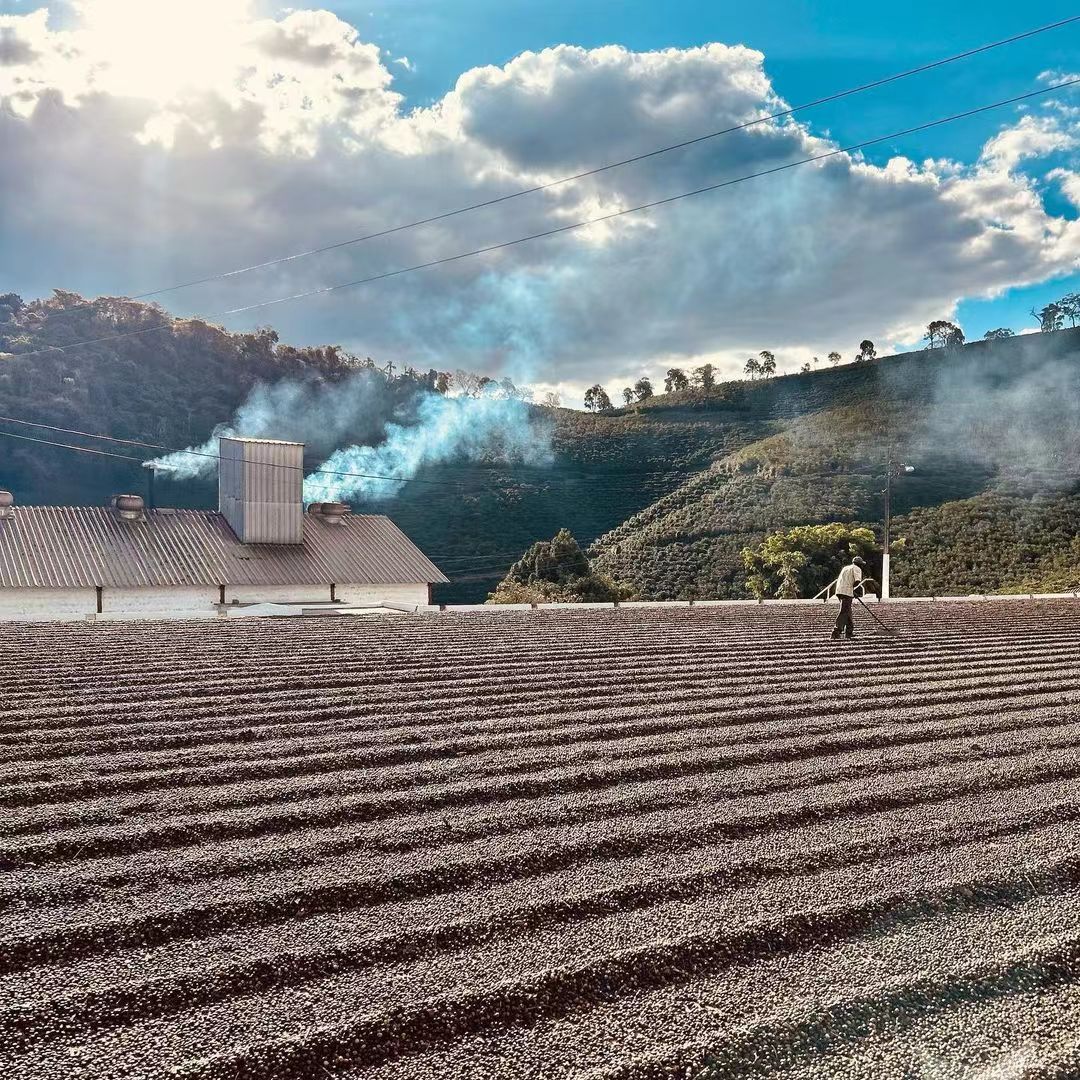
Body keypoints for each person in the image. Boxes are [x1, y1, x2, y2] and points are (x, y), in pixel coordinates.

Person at [831, 555, 866, 640]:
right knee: (844, 612)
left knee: (848, 611)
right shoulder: (857, 569)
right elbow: (857, 581)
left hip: (839, 591)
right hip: (846, 592)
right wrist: (854, 591)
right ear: (859, 564)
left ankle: (849, 632)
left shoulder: (846, 568)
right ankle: (836, 632)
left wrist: (851, 591)